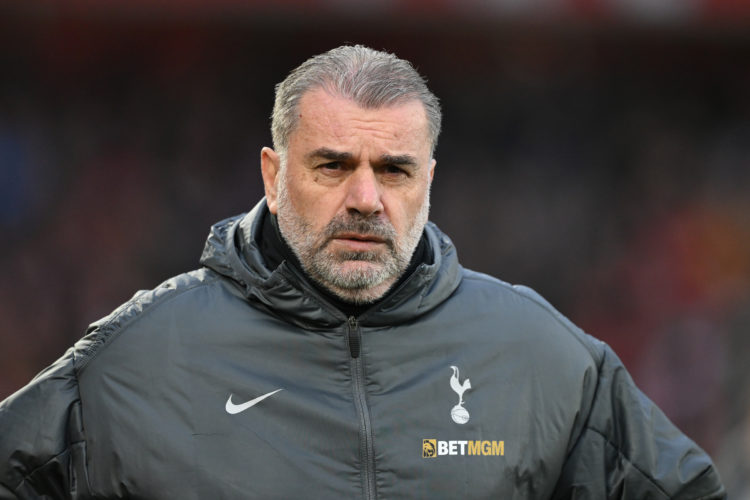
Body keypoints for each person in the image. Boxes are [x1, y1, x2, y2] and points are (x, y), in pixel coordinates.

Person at [0, 45, 725, 499]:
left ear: (430, 179)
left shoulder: (545, 358)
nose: (367, 199)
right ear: (274, 174)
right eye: (333, 166)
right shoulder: (135, 361)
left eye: (395, 170)